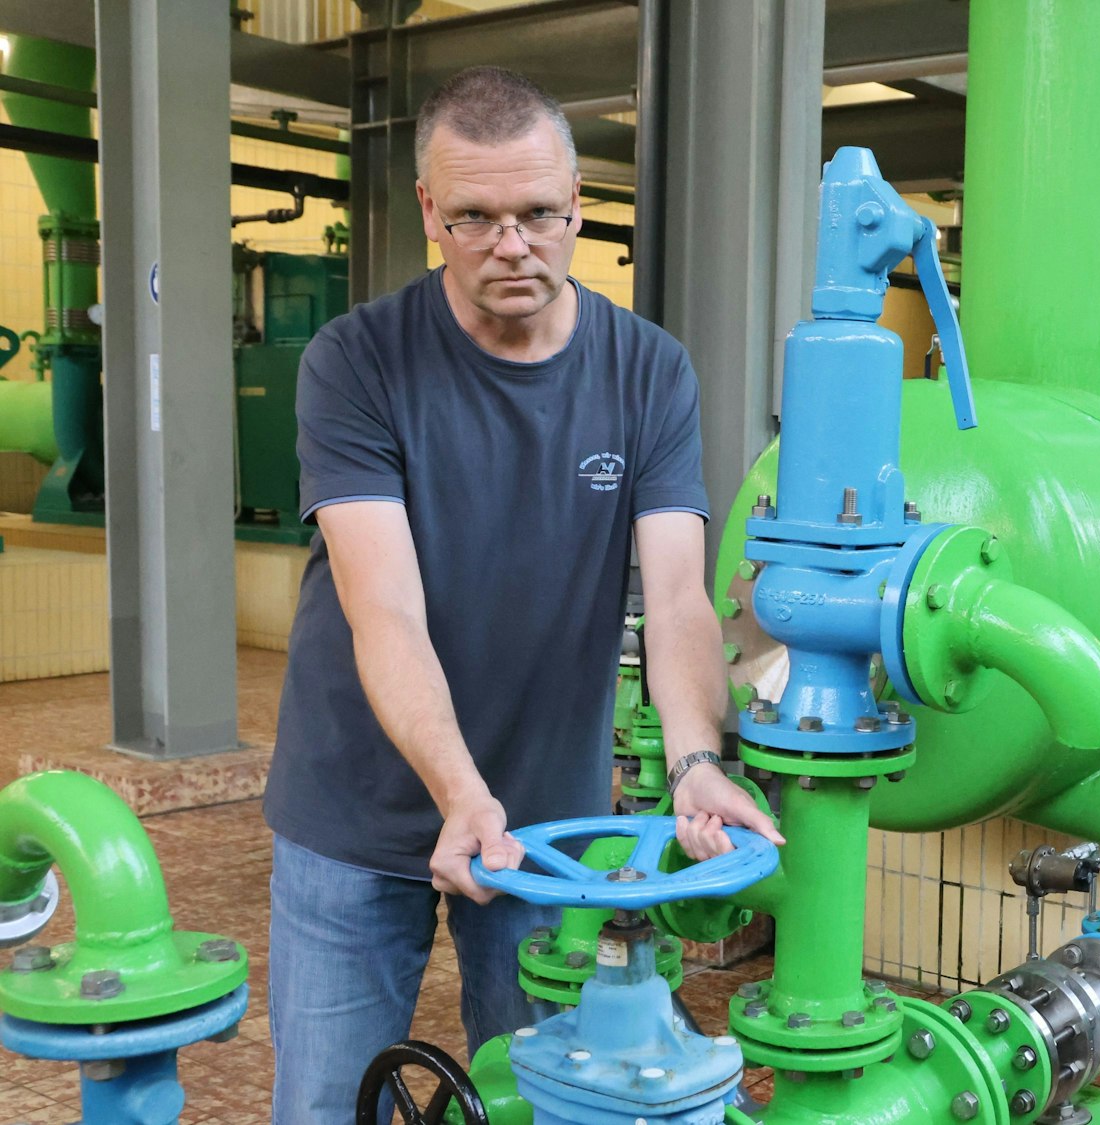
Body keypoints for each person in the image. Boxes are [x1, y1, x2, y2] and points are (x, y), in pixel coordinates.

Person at [260, 66, 782, 1122]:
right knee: (326, 1106)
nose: (512, 246)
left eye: (539, 214)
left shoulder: (647, 371)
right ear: (427, 213)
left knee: (549, 1096)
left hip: (550, 825)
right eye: (475, 219)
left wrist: (694, 760)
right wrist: (458, 793)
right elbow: (385, 610)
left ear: (579, 204)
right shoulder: (355, 363)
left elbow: (677, 596)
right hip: (353, 817)